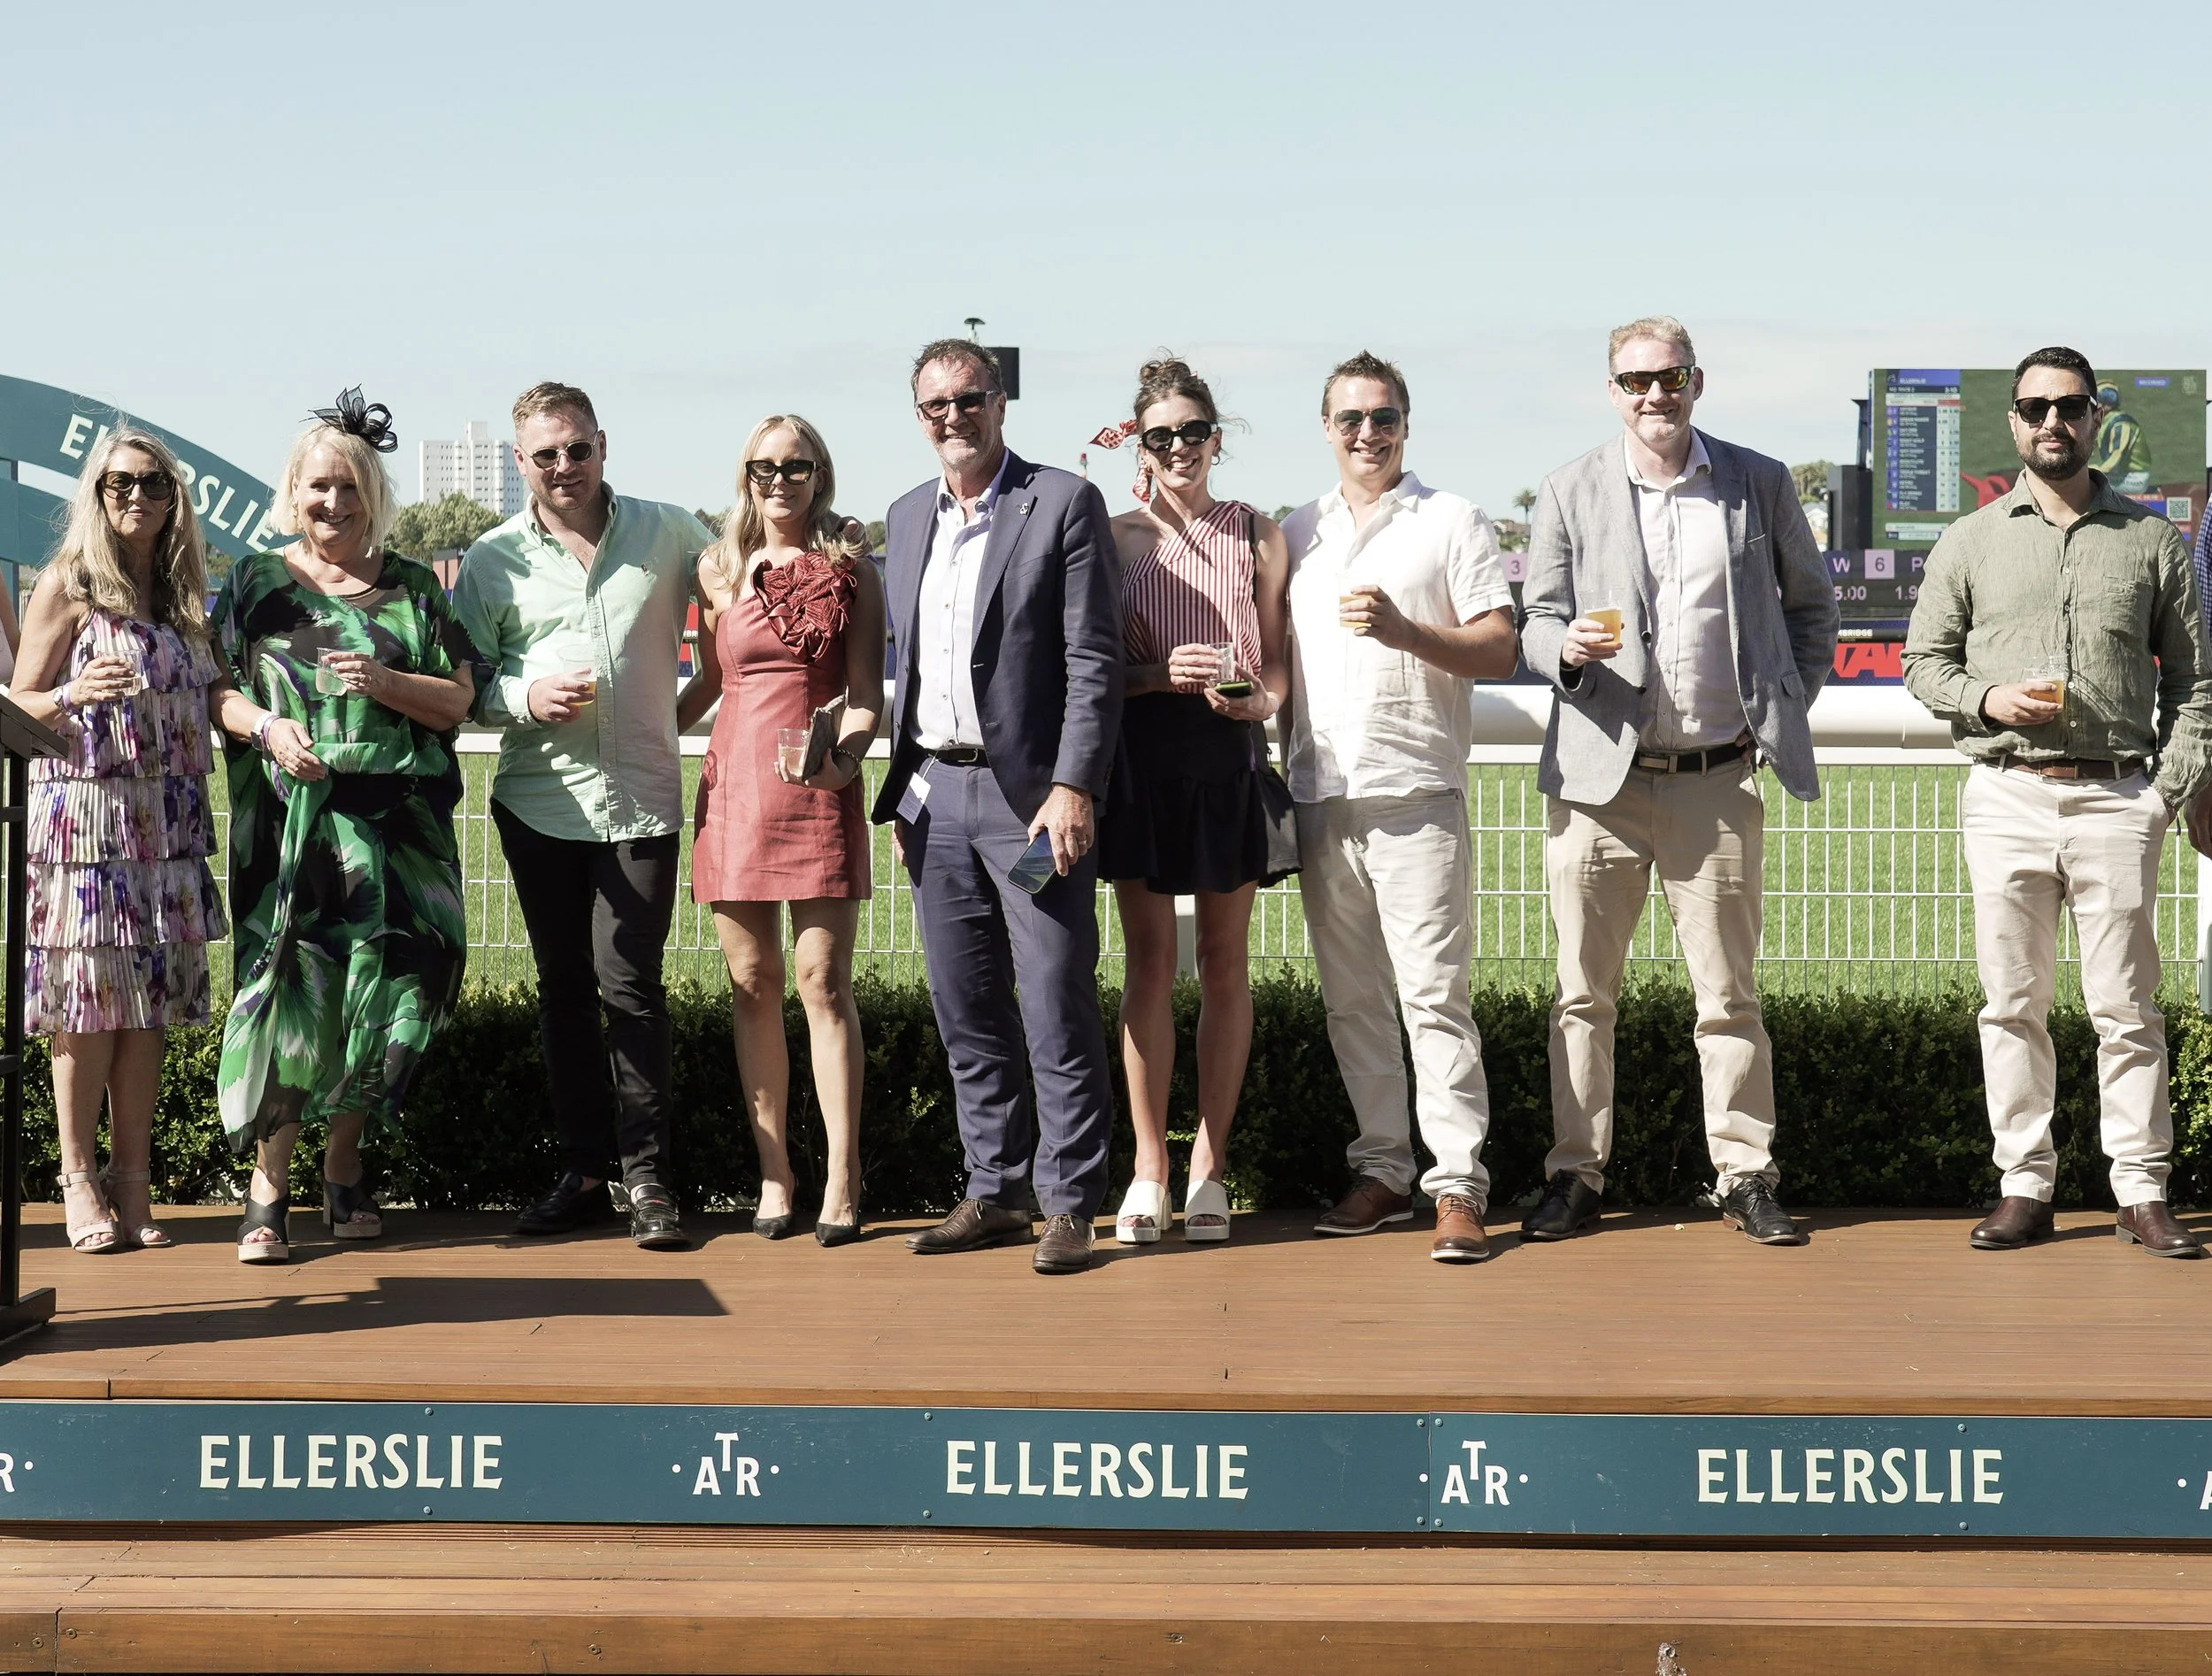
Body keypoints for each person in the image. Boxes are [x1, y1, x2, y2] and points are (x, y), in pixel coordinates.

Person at [1518, 317, 1838, 1248]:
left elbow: (1810, 610)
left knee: (1729, 996)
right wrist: (1564, 650)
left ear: (1698, 381)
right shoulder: (1568, 488)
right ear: (1610, 389)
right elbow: (1532, 619)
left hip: (1715, 781)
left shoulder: (1757, 480)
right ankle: (1574, 1176)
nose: (1653, 395)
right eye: (1635, 381)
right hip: (1597, 786)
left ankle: (1744, 1175)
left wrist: (1782, 704)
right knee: (1582, 995)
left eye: (1670, 378)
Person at [1903, 345, 2212, 1257]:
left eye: (2068, 406)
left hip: (2118, 797)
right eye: (2034, 407)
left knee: (2125, 1005)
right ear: (2013, 422)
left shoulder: (2151, 541)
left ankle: (2139, 1187)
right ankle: (2023, 1184)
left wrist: (2166, 792)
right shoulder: (1969, 540)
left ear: (2094, 418)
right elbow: (1927, 663)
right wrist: (1987, 701)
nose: (2051, 422)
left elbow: (2196, 682)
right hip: (2006, 793)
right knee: (2012, 1003)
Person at [873, 338, 1123, 1275]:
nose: (953, 416)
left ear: (1000, 402)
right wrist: (901, 798)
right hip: (936, 804)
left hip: (1028, 808)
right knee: (965, 1001)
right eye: (935, 403)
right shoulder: (903, 518)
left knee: (1053, 993)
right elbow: (910, 671)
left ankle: (1069, 1202)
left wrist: (1072, 785)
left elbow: (1093, 660)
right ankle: (995, 1189)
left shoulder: (1059, 500)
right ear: (919, 415)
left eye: (969, 398)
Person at [212, 391, 476, 1263]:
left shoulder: (410, 591)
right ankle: (267, 1190)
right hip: (296, 834)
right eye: (319, 487)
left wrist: (382, 684)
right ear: (294, 489)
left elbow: (455, 700)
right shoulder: (253, 584)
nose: (333, 504)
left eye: (350, 490)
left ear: (373, 498)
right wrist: (268, 727)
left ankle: (345, 1160)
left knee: (398, 987)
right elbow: (216, 688)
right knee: (298, 994)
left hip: (397, 832)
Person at [454, 383, 718, 1251]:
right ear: (520, 462)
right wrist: (524, 695)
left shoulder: (672, 530)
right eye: (545, 454)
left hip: (642, 797)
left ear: (603, 444)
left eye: (577, 448)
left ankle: (649, 1177)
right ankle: (582, 1172)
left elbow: (744, 602)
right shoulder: (492, 558)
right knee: (565, 992)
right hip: (538, 805)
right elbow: (463, 686)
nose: (564, 467)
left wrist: (683, 711)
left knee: (631, 988)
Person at [1282, 351, 1517, 1264]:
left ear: (1405, 425)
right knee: (1351, 1003)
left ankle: (1456, 1184)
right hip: (1320, 791)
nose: (1366, 434)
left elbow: (1498, 649)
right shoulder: (1296, 529)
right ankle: (1381, 1167)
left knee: (1433, 998)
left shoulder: (1452, 520)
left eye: (1381, 417)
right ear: (1327, 429)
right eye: (1349, 419)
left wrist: (1405, 631)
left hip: (1416, 789)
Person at [1094, 358, 1297, 1246]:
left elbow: (1281, 655)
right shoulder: (1114, 535)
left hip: (1226, 759)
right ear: (1140, 446)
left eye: (1192, 432)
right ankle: (1149, 1168)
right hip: (1141, 759)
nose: (1178, 448)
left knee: (1223, 960)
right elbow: (1093, 670)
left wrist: (1267, 701)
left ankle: (1212, 1168)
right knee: (1146, 963)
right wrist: (1154, 673)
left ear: (1219, 438)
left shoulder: (1259, 532)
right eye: (1159, 436)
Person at [12, 430, 228, 1254]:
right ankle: (75, 1178)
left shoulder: (181, 591)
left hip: (164, 825)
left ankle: (133, 1182)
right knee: (87, 1010)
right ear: (96, 495)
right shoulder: (71, 583)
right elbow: (20, 702)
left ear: (175, 497)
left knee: (151, 1012)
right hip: (86, 822)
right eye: (119, 483)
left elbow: (213, 693)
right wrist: (71, 691)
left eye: (153, 483)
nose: (137, 496)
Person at [688, 414, 884, 1246]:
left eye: (796, 465)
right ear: (745, 475)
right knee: (752, 981)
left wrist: (847, 754)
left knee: (822, 981)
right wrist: (636, 737)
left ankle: (841, 1177)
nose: (779, 479)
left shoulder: (850, 567)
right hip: (733, 791)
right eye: (764, 466)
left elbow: (869, 690)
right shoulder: (718, 569)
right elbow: (708, 681)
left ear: (819, 473)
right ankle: (775, 1175)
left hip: (817, 786)